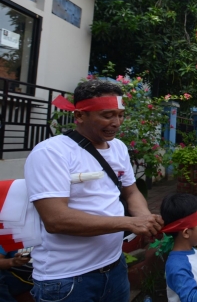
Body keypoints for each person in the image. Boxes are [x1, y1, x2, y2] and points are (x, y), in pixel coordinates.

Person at [24, 80, 164, 301]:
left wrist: (145, 219)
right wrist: (129, 223)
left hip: (114, 268)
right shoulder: (51, 153)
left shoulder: (118, 148)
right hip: (67, 280)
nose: (116, 123)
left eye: (120, 115)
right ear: (79, 116)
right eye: (107, 115)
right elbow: (56, 220)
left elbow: (131, 192)